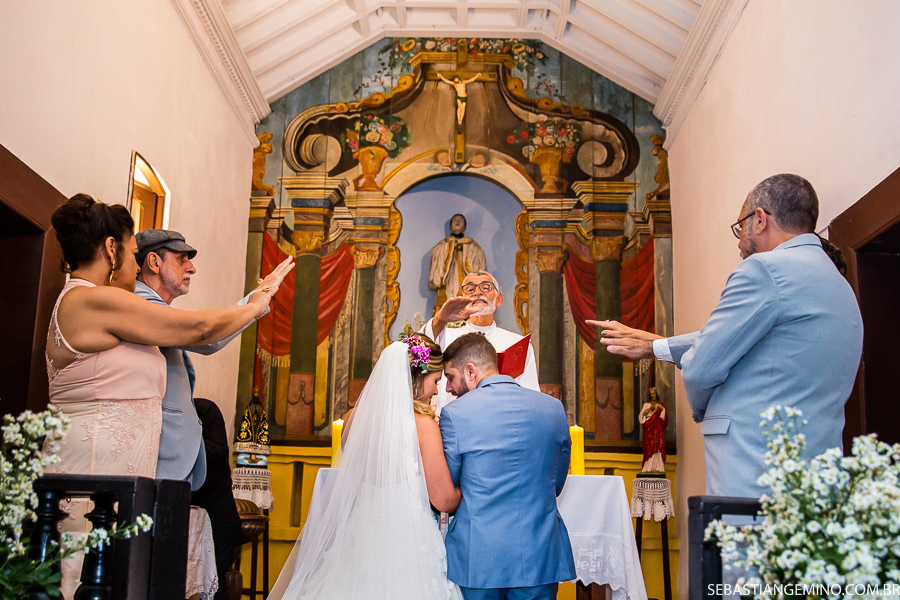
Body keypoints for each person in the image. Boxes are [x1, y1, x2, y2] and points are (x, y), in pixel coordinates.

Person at [43, 193, 293, 598]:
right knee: (84, 576)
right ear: (111, 249)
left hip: (118, 469)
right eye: (130, 251)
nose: (134, 263)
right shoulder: (95, 299)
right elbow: (199, 331)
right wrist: (260, 301)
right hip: (96, 466)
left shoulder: (91, 300)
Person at [591, 174, 863, 498]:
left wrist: (708, 405)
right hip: (813, 476)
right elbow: (759, 343)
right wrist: (657, 346)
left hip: (754, 471)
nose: (738, 241)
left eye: (740, 227)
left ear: (760, 219)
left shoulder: (765, 270)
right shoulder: (839, 285)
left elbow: (703, 366)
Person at [268, 335, 463, 600]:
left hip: (358, 532)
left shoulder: (353, 418)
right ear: (417, 379)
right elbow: (443, 499)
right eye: (436, 381)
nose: (437, 391)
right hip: (407, 540)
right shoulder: (423, 426)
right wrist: (470, 486)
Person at [134, 228, 278, 491]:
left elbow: (211, 336)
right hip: (153, 454)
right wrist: (254, 305)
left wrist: (255, 302)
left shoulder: (152, 305)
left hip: (169, 457)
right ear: (154, 262)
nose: (191, 268)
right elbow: (205, 334)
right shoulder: (137, 301)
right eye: (181, 259)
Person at [439, 333, 575, 600]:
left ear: (470, 371)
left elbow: (451, 490)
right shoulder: (553, 409)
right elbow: (555, 485)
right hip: (540, 556)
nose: (448, 388)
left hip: (478, 561)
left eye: (450, 377)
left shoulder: (455, 414)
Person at [423, 270, 538, 415]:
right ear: (462, 299)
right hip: (453, 418)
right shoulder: (445, 336)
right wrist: (441, 318)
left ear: (499, 299)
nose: (477, 292)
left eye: (486, 287)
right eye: (470, 289)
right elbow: (419, 350)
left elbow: (529, 393)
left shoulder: (518, 344)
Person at [191, 398, 242, 600]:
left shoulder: (206, 410)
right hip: (184, 503)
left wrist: (188, 437)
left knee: (215, 578)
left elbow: (220, 453)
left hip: (216, 503)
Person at [428, 214, 487, 310]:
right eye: (455, 220)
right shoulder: (442, 246)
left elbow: (479, 268)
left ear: (465, 227)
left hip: (464, 283)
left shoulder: (473, 246)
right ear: (450, 226)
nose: (458, 222)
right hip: (447, 284)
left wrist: (465, 249)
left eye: (461, 220)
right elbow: (436, 260)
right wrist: (450, 248)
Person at [639, 389, 667, 473]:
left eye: (654, 393)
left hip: (657, 429)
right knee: (649, 447)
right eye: (651, 394)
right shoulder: (646, 405)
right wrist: (644, 413)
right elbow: (641, 418)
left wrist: (662, 410)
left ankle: (658, 467)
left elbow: (664, 419)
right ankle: (648, 467)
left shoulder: (660, 405)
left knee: (657, 447)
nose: (652, 395)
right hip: (649, 429)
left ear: (656, 394)